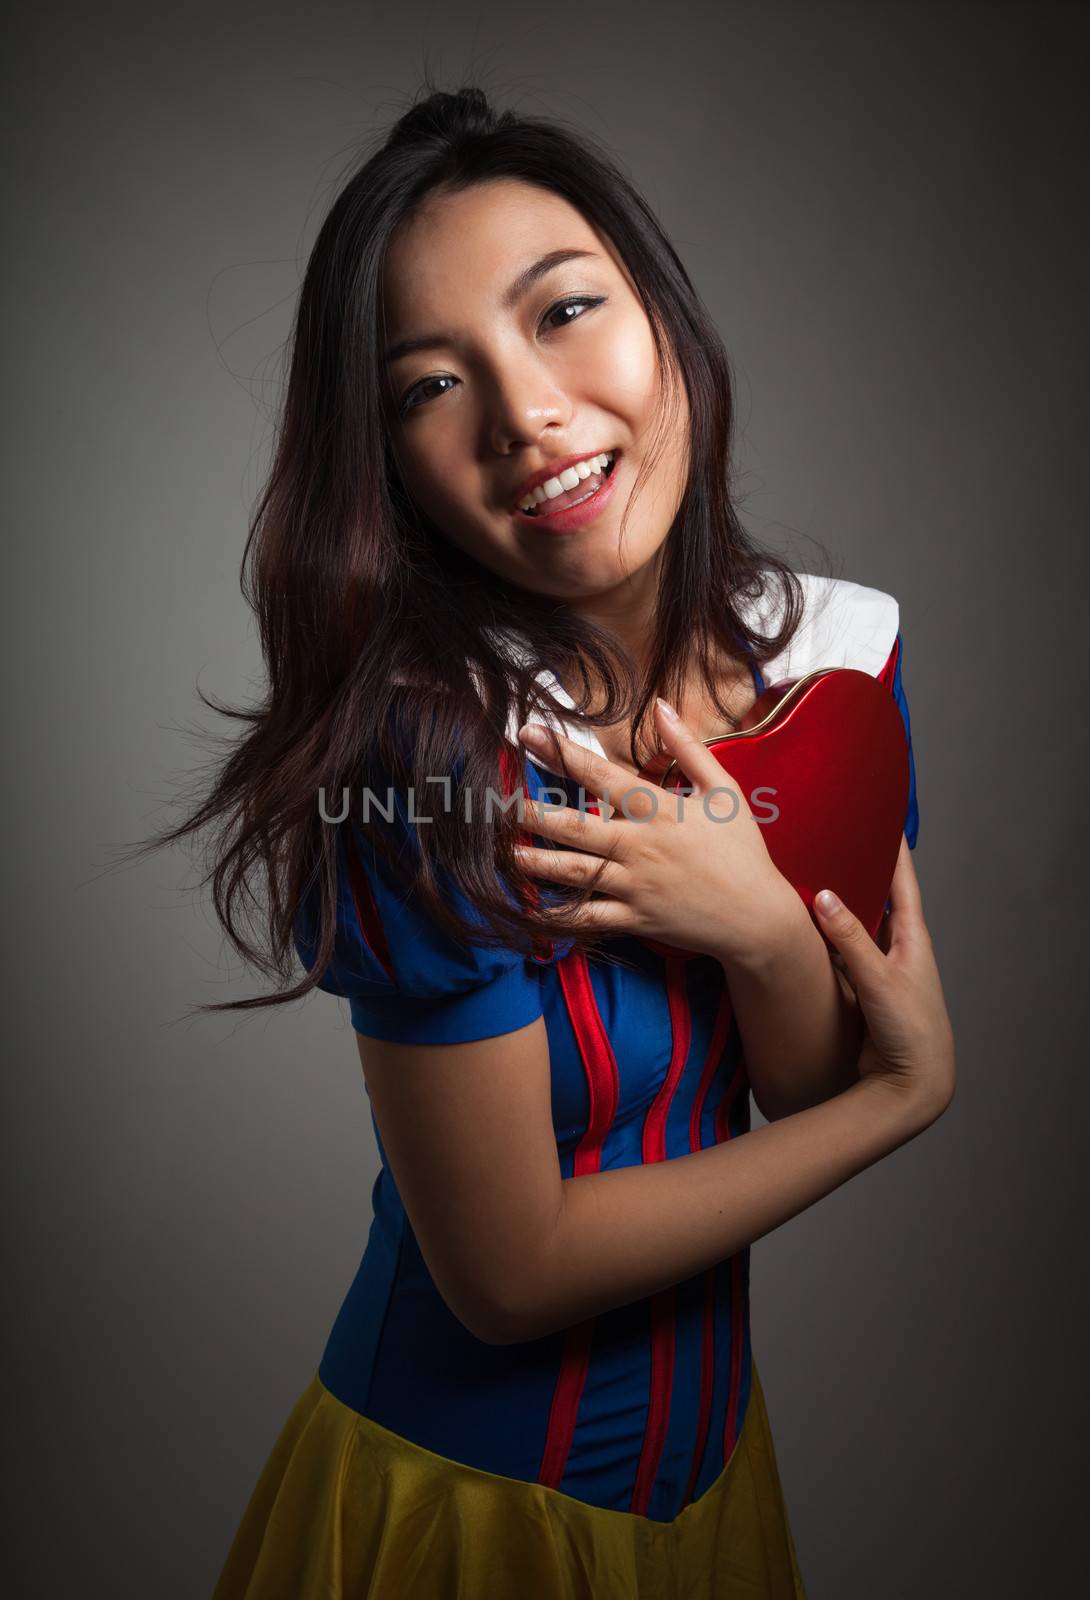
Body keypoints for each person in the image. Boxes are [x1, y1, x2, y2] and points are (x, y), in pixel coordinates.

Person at [194, 85, 955, 1599]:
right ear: (388, 463)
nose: (526, 411)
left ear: (662, 316)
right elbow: (503, 1274)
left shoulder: (823, 674)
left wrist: (747, 921)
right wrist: (909, 1096)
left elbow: (791, 1077)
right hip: (462, 1522)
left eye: (563, 311)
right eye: (428, 385)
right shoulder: (418, 765)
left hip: (713, 1492)